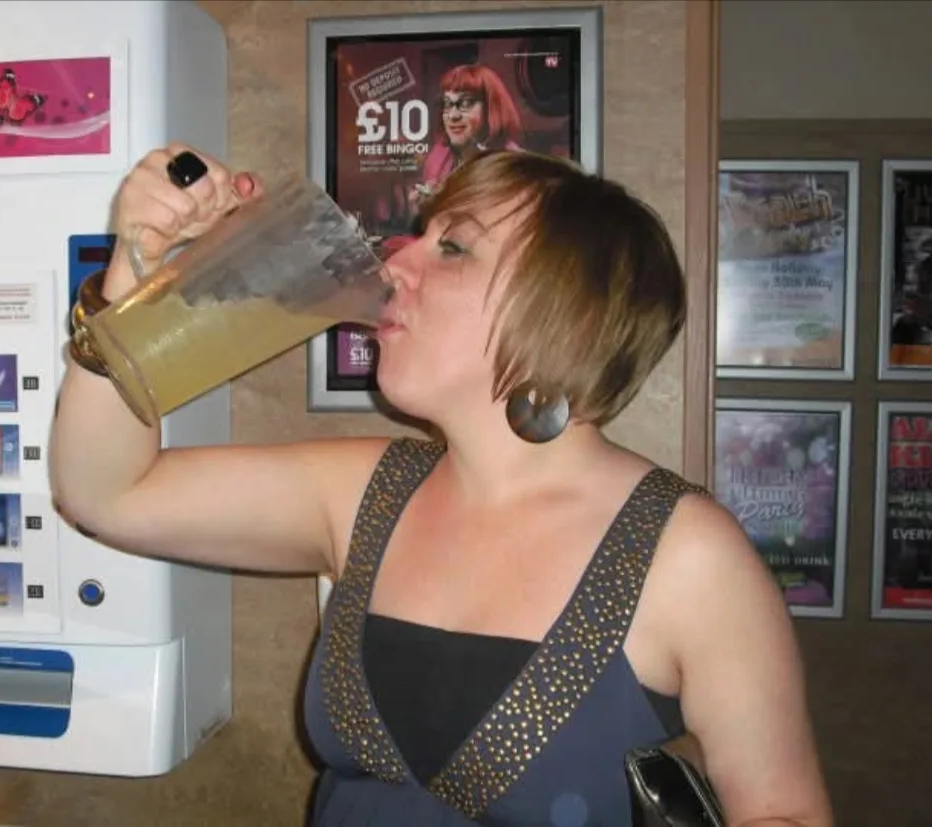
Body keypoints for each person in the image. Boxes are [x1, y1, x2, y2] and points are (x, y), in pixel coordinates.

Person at [50, 144, 834, 827]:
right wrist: (132, 289)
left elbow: (785, 809)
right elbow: (105, 489)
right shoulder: (364, 491)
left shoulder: (686, 553)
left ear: (565, 310)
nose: (394, 264)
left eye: (453, 248)